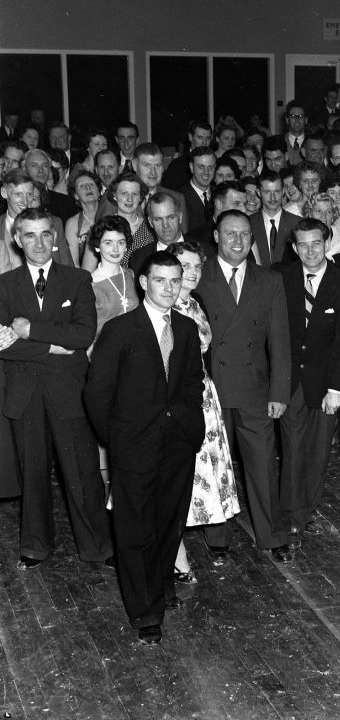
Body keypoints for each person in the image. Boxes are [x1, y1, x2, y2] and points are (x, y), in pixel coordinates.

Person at [84, 252, 205, 645]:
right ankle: (145, 612)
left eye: (175, 280)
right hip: (133, 447)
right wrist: (117, 441)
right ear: (143, 283)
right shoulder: (120, 330)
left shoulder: (185, 329)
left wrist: (191, 427)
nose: (169, 288)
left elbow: (192, 383)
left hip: (178, 444)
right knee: (135, 530)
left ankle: (160, 586)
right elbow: (97, 393)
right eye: (160, 281)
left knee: (169, 522)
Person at [0, 209, 111, 570]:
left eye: (46, 234)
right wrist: (51, 345)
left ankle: (96, 545)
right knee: (32, 474)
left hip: (69, 391)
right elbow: (1, 344)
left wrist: (31, 330)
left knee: (82, 474)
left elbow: (82, 334)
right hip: (24, 393)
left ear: (55, 237)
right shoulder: (4, 285)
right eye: (29, 235)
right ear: (17, 240)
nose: (38, 243)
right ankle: (35, 546)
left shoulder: (77, 279)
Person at [196, 210, 293, 563]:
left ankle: (271, 535)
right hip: (212, 389)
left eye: (244, 235)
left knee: (262, 466)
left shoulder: (268, 280)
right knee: (216, 466)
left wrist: (279, 393)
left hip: (255, 389)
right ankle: (218, 537)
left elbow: (280, 341)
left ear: (252, 240)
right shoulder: (196, 275)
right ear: (216, 236)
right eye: (229, 233)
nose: (237, 241)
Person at [277, 219, 340, 544]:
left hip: (326, 384)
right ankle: (291, 514)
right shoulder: (281, 279)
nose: (310, 250)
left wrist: (336, 388)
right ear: (294, 248)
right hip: (290, 381)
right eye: (303, 245)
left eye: (316, 243)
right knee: (292, 447)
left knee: (317, 451)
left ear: (327, 244)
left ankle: (307, 510)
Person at [166, 241, 239, 584]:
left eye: (197, 267)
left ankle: (185, 550)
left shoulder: (194, 302)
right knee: (177, 476)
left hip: (203, 394)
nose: (192, 273)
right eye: (185, 267)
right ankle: (176, 557)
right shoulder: (166, 307)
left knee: (201, 477)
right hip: (178, 398)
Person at [83, 174, 152, 271]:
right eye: (124, 193)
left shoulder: (151, 227)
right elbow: (87, 272)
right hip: (109, 284)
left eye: (135, 194)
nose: (129, 199)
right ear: (114, 195)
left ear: (140, 197)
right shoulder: (101, 227)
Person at [65, 171, 102, 267]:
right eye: (82, 186)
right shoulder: (72, 223)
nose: (88, 188)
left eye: (91, 184)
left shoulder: (110, 214)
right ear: (76, 195)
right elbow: (73, 262)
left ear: (99, 191)